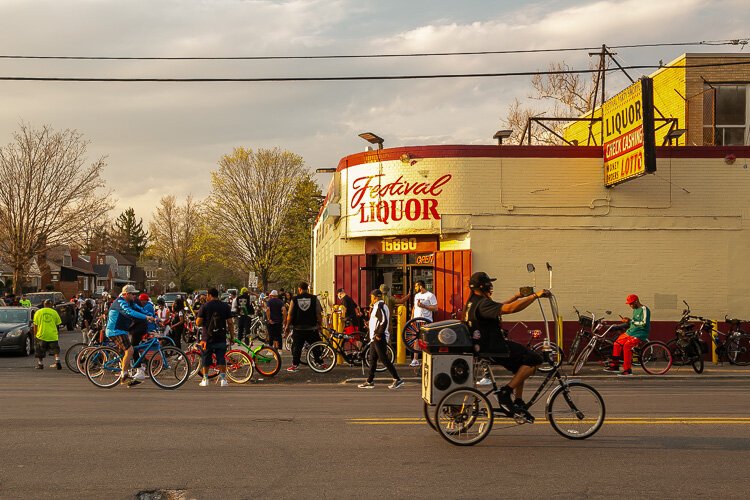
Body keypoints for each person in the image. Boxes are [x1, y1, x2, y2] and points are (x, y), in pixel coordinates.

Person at [464, 271, 549, 422]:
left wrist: (517, 296)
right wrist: (534, 296)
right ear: (483, 286)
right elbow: (509, 309)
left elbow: (499, 307)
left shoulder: (474, 301)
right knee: (534, 359)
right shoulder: (483, 303)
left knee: (521, 365)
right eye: (489, 284)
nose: (491, 287)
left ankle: (518, 401)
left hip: (484, 345)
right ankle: (505, 393)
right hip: (493, 347)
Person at [105, 285, 154, 386]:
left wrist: (153, 316)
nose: (134, 296)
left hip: (122, 331)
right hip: (114, 331)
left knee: (129, 351)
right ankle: (124, 376)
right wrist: (146, 317)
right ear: (126, 294)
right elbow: (129, 312)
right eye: (132, 294)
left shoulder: (130, 302)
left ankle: (127, 371)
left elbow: (140, 309)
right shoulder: (120, 302)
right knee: (130, 350)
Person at [358, 289, 404, 390]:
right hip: (374, 337)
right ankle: (370, 381)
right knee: (372, 359)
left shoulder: (380, 306)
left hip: (379, 337)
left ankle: (397, 379)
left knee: (383, 358)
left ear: (375, 297)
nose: (371, 298)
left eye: (371, 297)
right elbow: (378, 320)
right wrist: (370, 324)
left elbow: (383, 320)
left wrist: (379, 333)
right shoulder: (378, 306)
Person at [196, 288, 235, 387]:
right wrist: (232, 336)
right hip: (221, 336)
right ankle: (223, 379)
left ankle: (205, 379)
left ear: (209, 295)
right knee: (221, 358)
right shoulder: (225, 306)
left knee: (206, 358)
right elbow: (230, 322)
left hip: (207, 338)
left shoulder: (205, 306)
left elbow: (198, 322)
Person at [605, 294, 651, 376]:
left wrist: (630, 321)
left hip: (640, 333)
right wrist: (628, 321)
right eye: (629, 304)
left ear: (636, 301)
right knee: (617, 343)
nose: (630, 305)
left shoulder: (644, 309)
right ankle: (615, 365)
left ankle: (627, 370)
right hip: (631, 332)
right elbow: (633, 321)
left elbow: (643, 323)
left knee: (627, 346)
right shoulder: (635, 310)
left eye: (631, 303)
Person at [284, 282, 323, 373]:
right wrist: (320, 325)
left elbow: (290, 315)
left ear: (299, 289)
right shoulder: (314, 299)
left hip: (298, 328)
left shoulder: (295, 299)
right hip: (312, 327)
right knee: (316, 345)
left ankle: (295, 365)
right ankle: (320, 363)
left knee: (296, 347)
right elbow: (318, 314)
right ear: (307, 289)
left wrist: (287, 326)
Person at [408, 280, 437, 367]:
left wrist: (424, 306)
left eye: (416, 286)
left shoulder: (430, 295)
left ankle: (427, 359)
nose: (415, 288)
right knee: (416, 340)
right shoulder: (416, 295)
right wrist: (412, 318)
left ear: (420, 286)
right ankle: (415, 359)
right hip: (417, 320)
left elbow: (435, 308)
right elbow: (414, 307)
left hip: (426, 320)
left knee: (425, 340)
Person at [33, 299, 63, 370]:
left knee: (40, 350)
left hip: (41, 334)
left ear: (44, 304)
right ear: (51, 305)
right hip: (52, 335)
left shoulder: (38, 312)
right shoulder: (54, 312)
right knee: (55, 349)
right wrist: (57, 333)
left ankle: (40, 364)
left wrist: (35, 334)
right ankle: (57, 361)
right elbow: (58, 324)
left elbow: (35, 325)